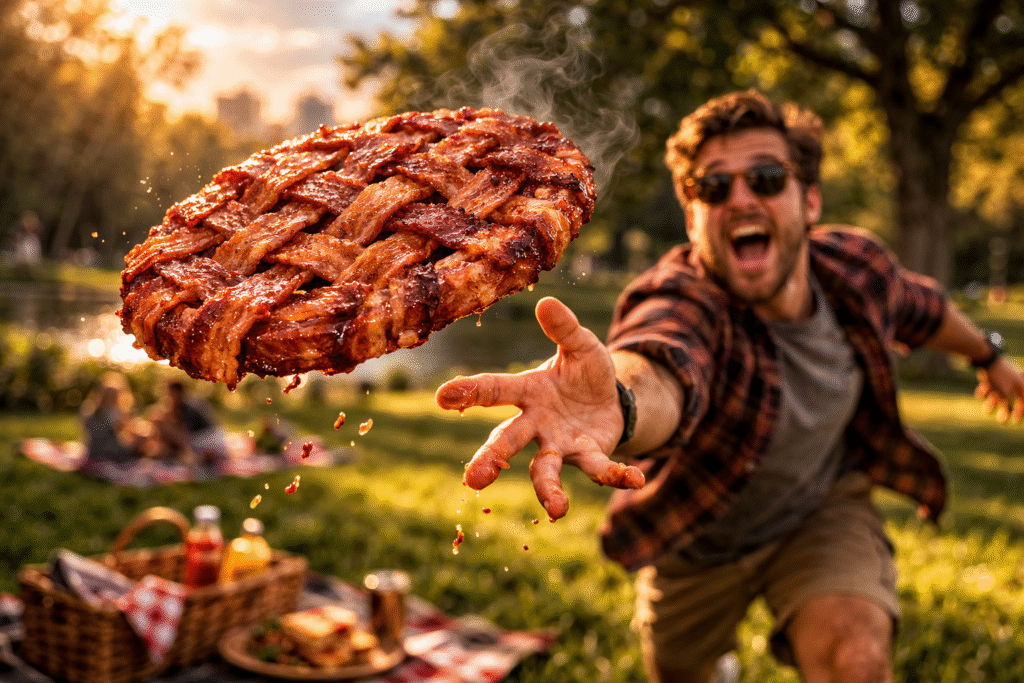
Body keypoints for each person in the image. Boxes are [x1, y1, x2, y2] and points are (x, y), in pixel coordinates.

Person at [435, 90, 1024, 683]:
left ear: (809, 199)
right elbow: (662, 358)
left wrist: (988, 356)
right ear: (692, 217)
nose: (740, 198)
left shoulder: (856, 268)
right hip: (697, 535)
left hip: (820, 509)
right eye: (713, 188)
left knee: (857, 660)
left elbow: (924, 307)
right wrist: (621, 400)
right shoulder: (679, 295)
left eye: (766, 177)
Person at [147, 380, 228, 467]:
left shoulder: (188, 407)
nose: (167, 397)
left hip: (208, 439)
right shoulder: (187, 402)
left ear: (176, 392)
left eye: (169, 393)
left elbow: (183, 434)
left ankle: (193, 458)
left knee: (167, 429)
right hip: (205, 437)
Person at [80, 372, 147, 465]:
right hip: (110, 454)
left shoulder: (88, 408)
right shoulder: (114, 412)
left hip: (92, 451)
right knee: (142, 438)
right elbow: (130, 430)